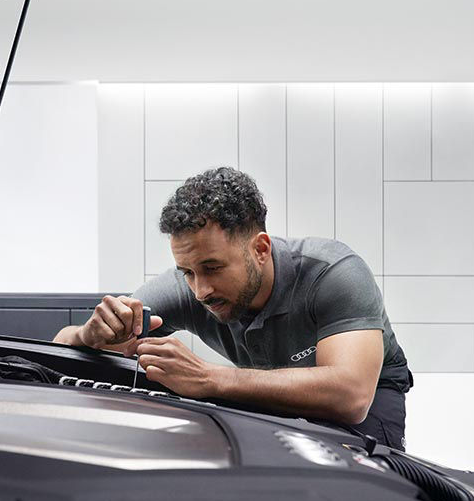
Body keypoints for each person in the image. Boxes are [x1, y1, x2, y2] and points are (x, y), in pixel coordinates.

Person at [54, 167, 412, 449]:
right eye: (188, 273)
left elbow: (351, 395)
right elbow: (62, 347)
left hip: (371, 398)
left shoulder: (333, 273)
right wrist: (89, 333)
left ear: (260, 249)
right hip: (264, 391)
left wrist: (209, 378)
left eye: (213, 268)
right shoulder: (188, 286)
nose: (200, 290)